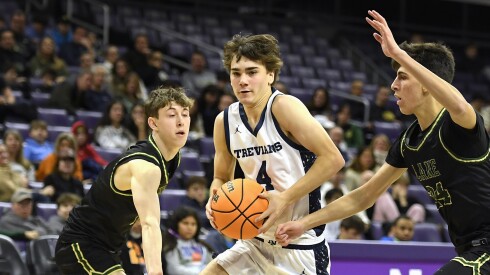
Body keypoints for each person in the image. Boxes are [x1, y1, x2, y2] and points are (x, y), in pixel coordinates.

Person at [275, 10, 490, 275]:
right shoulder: (408, 142)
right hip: (468, 249)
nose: (393, 85)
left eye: (402, 76)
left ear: (425, 83)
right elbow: (362, 197)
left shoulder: (459, 125)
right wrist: (304, 223)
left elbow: (458, 103)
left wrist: (399, 54)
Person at [201, 34, 344, 275]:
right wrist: (215, 196)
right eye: (236, 73)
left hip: (298, 243)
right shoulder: (224, 121)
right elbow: (220, 176)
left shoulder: (285, 107)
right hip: (253, 241)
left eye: (252, 72)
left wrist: (285, 198)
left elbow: (333, 159)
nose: (243, 81)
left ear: (271, 75)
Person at [54, 86, 193, 275]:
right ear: (153, 123)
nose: (180, 122)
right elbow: (150, 223)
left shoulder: (172, 157)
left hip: (110, 247)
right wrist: (156, 272)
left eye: (185, 114)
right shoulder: (146, 166)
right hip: (80, 244)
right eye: (171, 115)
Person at [163, 206, 213, 275]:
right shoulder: (170, 244)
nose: (190, 227)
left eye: (193, 224)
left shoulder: (203, 245)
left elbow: (212, 264)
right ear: (176, 224)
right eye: (185, 223)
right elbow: (173, 270)